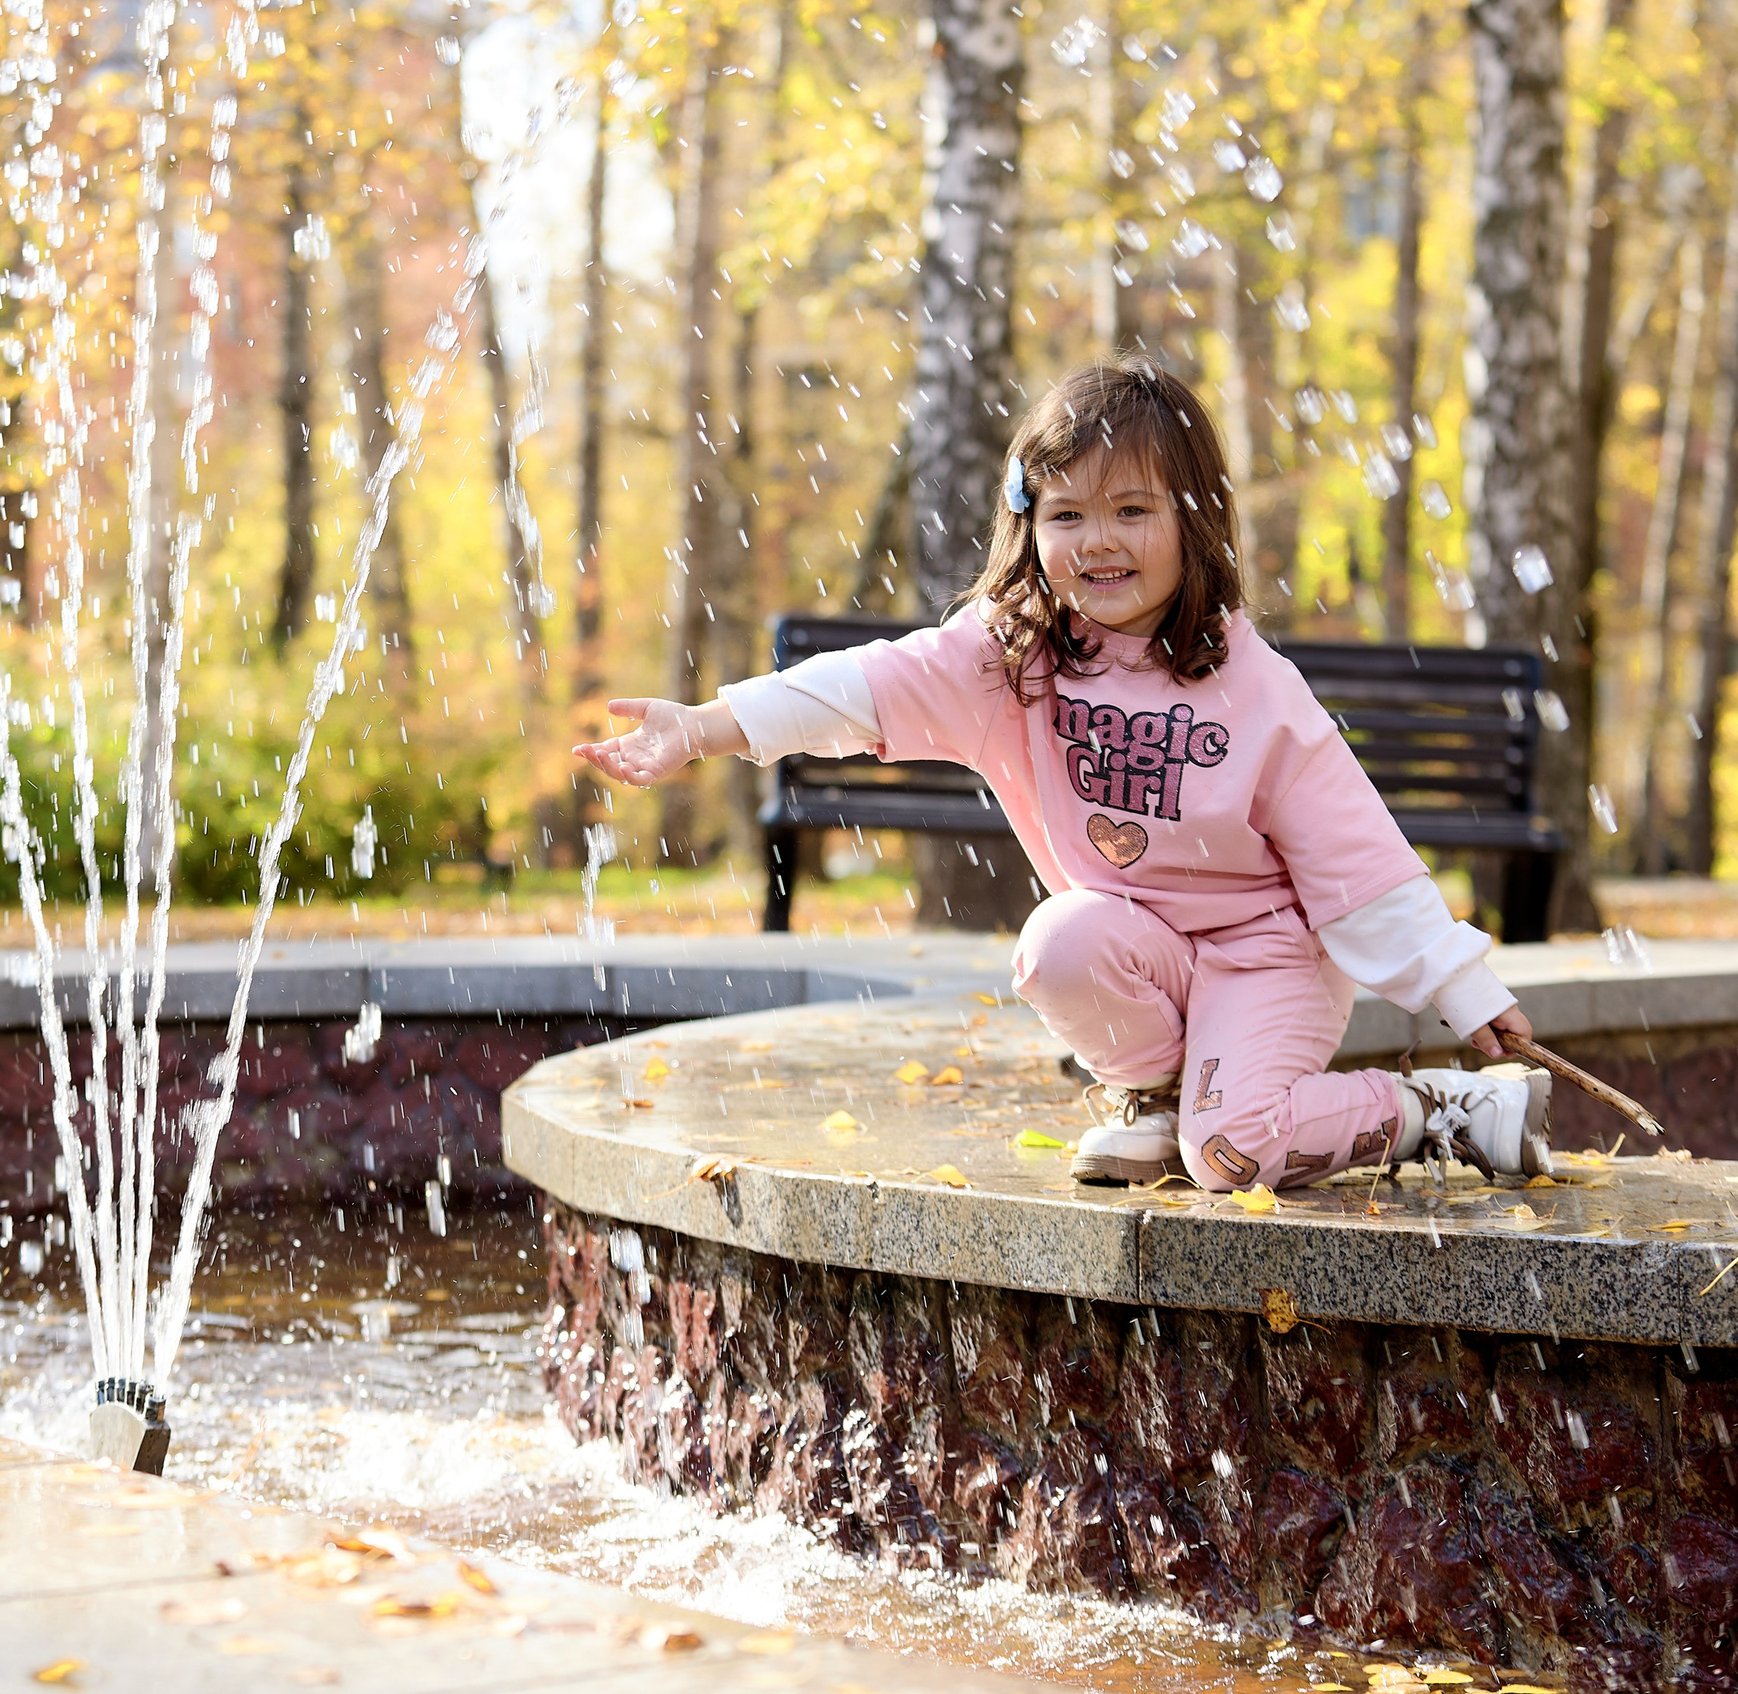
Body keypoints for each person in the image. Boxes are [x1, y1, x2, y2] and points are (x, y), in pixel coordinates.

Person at [573, 356, 1549, 1192]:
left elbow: (1358, 854)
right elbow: (862, 689)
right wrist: (703, 727)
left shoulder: (1254, 687)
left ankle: (1432, 1111)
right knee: (1056, 941)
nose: (1099, 541)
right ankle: (1166, 1097)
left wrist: (1460, 990)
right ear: (1029, 526)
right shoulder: (1014, 658)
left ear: (1192, 520)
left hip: (1268, 957)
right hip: (1135, 950)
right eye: (1067, 513)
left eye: (1132, 510)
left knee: (1234, 1156)